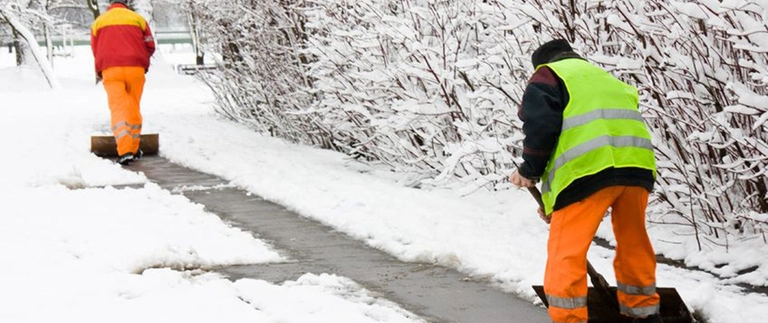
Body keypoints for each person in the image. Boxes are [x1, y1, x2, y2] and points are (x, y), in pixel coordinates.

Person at [509, 39, 662, 323]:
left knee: (566, 251)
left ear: (542, 63)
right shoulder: (606, 79)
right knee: (633, 241)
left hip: (587, 171)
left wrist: (529, 170)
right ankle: (645, 314)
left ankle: (570, 319)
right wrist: (552, 204)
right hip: (637, 168)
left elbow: (542, 125)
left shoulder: (548, 75)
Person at [90, 0, 155, 165]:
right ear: (126, 4)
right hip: (135, 69)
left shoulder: (99, 22)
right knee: (133, 107)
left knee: (119, 108)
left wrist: (100, 69)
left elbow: (95, 49)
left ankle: (125, 150)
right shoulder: (138, 19)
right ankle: (133, 148)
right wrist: (141, 59)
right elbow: (150, 45)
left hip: (111, 70)